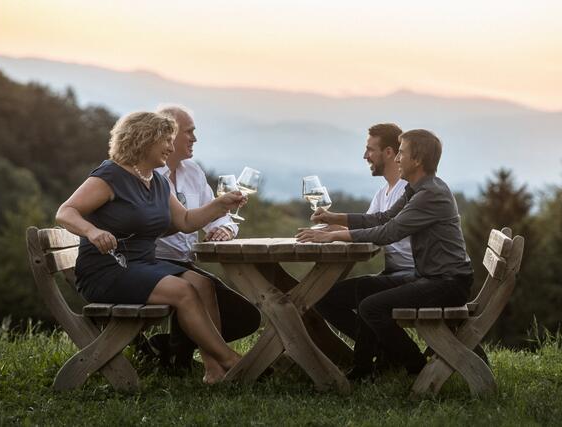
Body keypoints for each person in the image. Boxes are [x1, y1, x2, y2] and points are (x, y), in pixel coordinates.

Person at [56, 111, 245, 384]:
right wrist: (92, 231)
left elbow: (186, 221)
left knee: (203, 284)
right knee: (184, 291)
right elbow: (66, 211)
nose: (171, 146)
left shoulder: (156, 180)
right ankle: (231, 360)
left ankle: (213, 370)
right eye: (166, 140)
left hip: (143, 265)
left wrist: (221, 204)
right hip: (108, 270)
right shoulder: (110, 175)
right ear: (144, 140)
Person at [296, 129, 473, 380]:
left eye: (402, 153)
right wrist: (334, 219)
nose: (398, 158)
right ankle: (363, 368)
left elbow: (389, 232)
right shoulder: (416, 189)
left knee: (371, 307)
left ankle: (414, 366)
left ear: (418, 160)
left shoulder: (430, 194)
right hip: (430, 277)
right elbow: (382, 218)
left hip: (447, 283)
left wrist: (334, 235)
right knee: (351, 292)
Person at [145, 105, 260, 369]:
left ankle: (171, 350)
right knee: (204, 291)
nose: (195, 139)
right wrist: (214, 212)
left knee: (247, 317)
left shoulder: (192, 171)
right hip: (155, 263)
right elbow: (184, 220)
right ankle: (198, 362)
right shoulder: (150, 176)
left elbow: (216, 214)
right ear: (168, 135)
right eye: (189, 132)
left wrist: (226, 228)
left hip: (184, 263)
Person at [314, 123, 415, 374]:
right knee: (325, 297)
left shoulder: (408, 191)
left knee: (343, 298)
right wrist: (334, 227)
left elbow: (379, 229)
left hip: (412, 275)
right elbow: (368, 229)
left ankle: (393, 356)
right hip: (395, 273)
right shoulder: (384, 192)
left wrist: (336, 228)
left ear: (390, 152)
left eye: (370, 149)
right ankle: (385, 351)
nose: (365, 156)